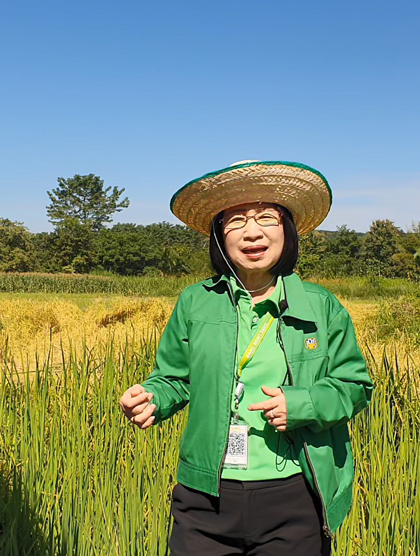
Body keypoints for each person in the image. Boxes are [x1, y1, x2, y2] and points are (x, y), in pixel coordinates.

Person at [119, 160, 373, 555]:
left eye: (266, 218)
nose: (252, 231)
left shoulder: (322, 307)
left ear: (286, 229)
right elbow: (174, 377)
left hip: (293, 497)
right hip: (205, 496)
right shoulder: (194, 301)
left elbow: (354, 386)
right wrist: (152, 398)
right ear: (219, 235)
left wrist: (302, 404)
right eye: (235, 220)